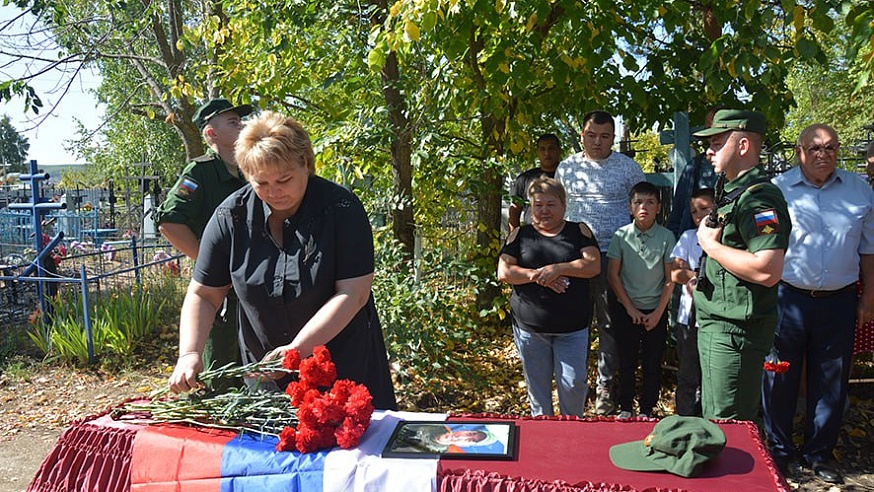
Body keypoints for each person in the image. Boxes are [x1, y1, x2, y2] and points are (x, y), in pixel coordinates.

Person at [167, 111, 397, 410]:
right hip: (266, 380)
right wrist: (189, 353)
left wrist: (298, 350)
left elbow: (353, 294)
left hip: (342, 372)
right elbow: (205, 294)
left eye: (284, 179)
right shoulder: (230, 216)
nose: (273, 192)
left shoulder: (341, 209)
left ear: (305, 162)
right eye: (260, 182)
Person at [762, 124, 874, 483]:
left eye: (830, 148)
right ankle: (778, 453)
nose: (822, 154)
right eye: (814, 148)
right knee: (779, 377)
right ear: (799, 151)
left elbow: (869, 249)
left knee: (832, 380)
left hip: (840, 302)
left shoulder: (860, 190)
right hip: (788, 299)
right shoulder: (777, 189)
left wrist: (868, 296)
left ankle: (819, 453)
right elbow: (763, 247)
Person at [690, 109, 791, 422]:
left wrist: (711, 246)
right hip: (719, 322)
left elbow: (767, 269)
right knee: (717, 417)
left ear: (744, 146)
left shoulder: (759, 200)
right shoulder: (732, 191)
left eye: (718, 142)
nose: (709, 150)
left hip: (735, 332)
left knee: (728, 424)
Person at [154, 98, 252, 383]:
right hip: (219, 291)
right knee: (221, 373)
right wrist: (212, 265)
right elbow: (169, 222)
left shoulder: (251, 171)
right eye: (233, 122)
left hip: (251, 284)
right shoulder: (200, 172)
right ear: (211, 134)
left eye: (241, 120)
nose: (242, 125)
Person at [555, 110, 646, 415]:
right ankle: (574, 389)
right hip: (573, 259)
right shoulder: (567, 168)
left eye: (605, 136)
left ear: (613, 137)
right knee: (573, 324)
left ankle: (605, 390)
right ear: (582, 135)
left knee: (610, 326)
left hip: (613, 257)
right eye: (591, 135)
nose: (598, 142)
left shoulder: (628, 169)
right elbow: (557, 211)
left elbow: (641, 210)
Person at [498, 177, 601, 416]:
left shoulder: (578, 231)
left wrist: (559, 268)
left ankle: (572, 436)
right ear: (530, 207)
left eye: (551, 204)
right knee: (538, 390)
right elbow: (504, 272)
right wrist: (538, 275)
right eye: (538, 205)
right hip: (531, 329)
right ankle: (543, 440)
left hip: (572, 329)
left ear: (563, 206)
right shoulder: (520, 235)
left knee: (573, 385)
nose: (544, 210)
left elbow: (593, 266)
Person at [606, 181, 676, 418]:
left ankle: (647, 409)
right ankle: (625, 407)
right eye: (638, 202)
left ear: (658, 207)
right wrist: (629, 308)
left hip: (655, 310)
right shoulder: (621, 236)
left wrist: (657, 313)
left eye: (650, 202)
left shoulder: (667, 237)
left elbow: (670, 278)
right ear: (630, 208)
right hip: (626, 309)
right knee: (626, 362)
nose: (643, 207)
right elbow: (613, 275)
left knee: (652, 364)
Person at [669, 188, 715, 417]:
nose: (699, 216)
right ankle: (685, 420)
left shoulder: (727, 238)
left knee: (713, 376)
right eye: (695, 212)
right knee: (688, 373)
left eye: (705, 209)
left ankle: (710, 422)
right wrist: (693, 277)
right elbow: (675, 272)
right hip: (690, 318)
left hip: (717, 317)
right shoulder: (688, 237)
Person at [667, 107, 722, 238]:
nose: (712, 133)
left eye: (717, 127)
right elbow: (677, 215)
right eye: (709, 127)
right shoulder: (694, 167)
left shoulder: (745, 172)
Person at [508, 134, 563, 232]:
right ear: (537, 152)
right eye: (542, 149)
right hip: (532, 236)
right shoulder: (524, 179)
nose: (547, 153)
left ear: (559, 151)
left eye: (551, 148)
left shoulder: (569, 177)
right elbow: (514, 213)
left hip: (563, 236)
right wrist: (513, 240)